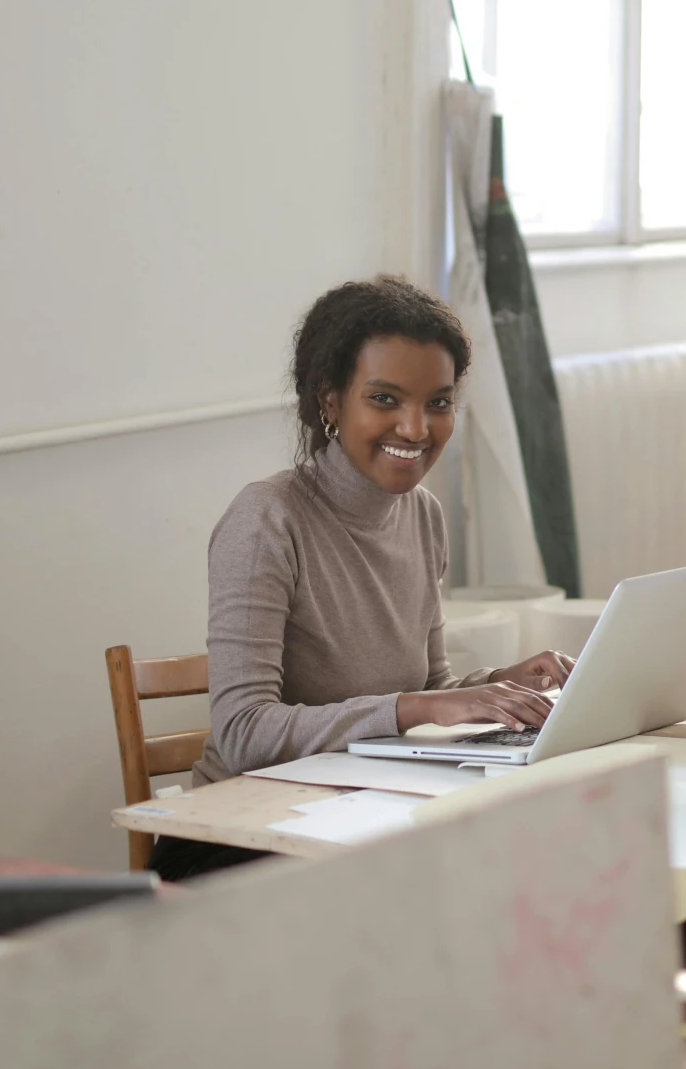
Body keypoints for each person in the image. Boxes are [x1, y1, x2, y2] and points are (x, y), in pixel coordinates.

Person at [150, 276, 573, 880]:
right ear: (330, 401)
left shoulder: (423, 515)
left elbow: (426, 684)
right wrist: (423, 705)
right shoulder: (265, 519)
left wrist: (496, 685)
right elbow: (243, 733)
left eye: (439, 402)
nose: (416, 428)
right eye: (384, 399)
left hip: (365, 808)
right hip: (247, 836)